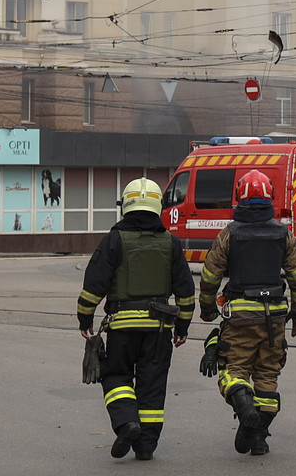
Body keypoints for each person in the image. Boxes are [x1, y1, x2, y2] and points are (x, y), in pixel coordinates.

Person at [77, 178, 195, 461]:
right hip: (159, 330)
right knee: (152, 386)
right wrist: (182, 327)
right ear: (158, 206)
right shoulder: (171, 242)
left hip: (121, 328)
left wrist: (85, 319)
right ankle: (145, 447)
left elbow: (94, 283)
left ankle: (127, 422)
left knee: (116, 375)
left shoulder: (114, 240)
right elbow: (185, 291)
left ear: (125, 205)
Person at [197, 169, 296, 456]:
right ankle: (259, 438)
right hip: (275, 317)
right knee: (268, 375)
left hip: (241, 316)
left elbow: (209, 277)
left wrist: (207, 309)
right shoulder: (284, 233)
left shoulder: (229, 234)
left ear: (238, 198)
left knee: (232, 371)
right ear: (270, 196)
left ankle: (245, 409)